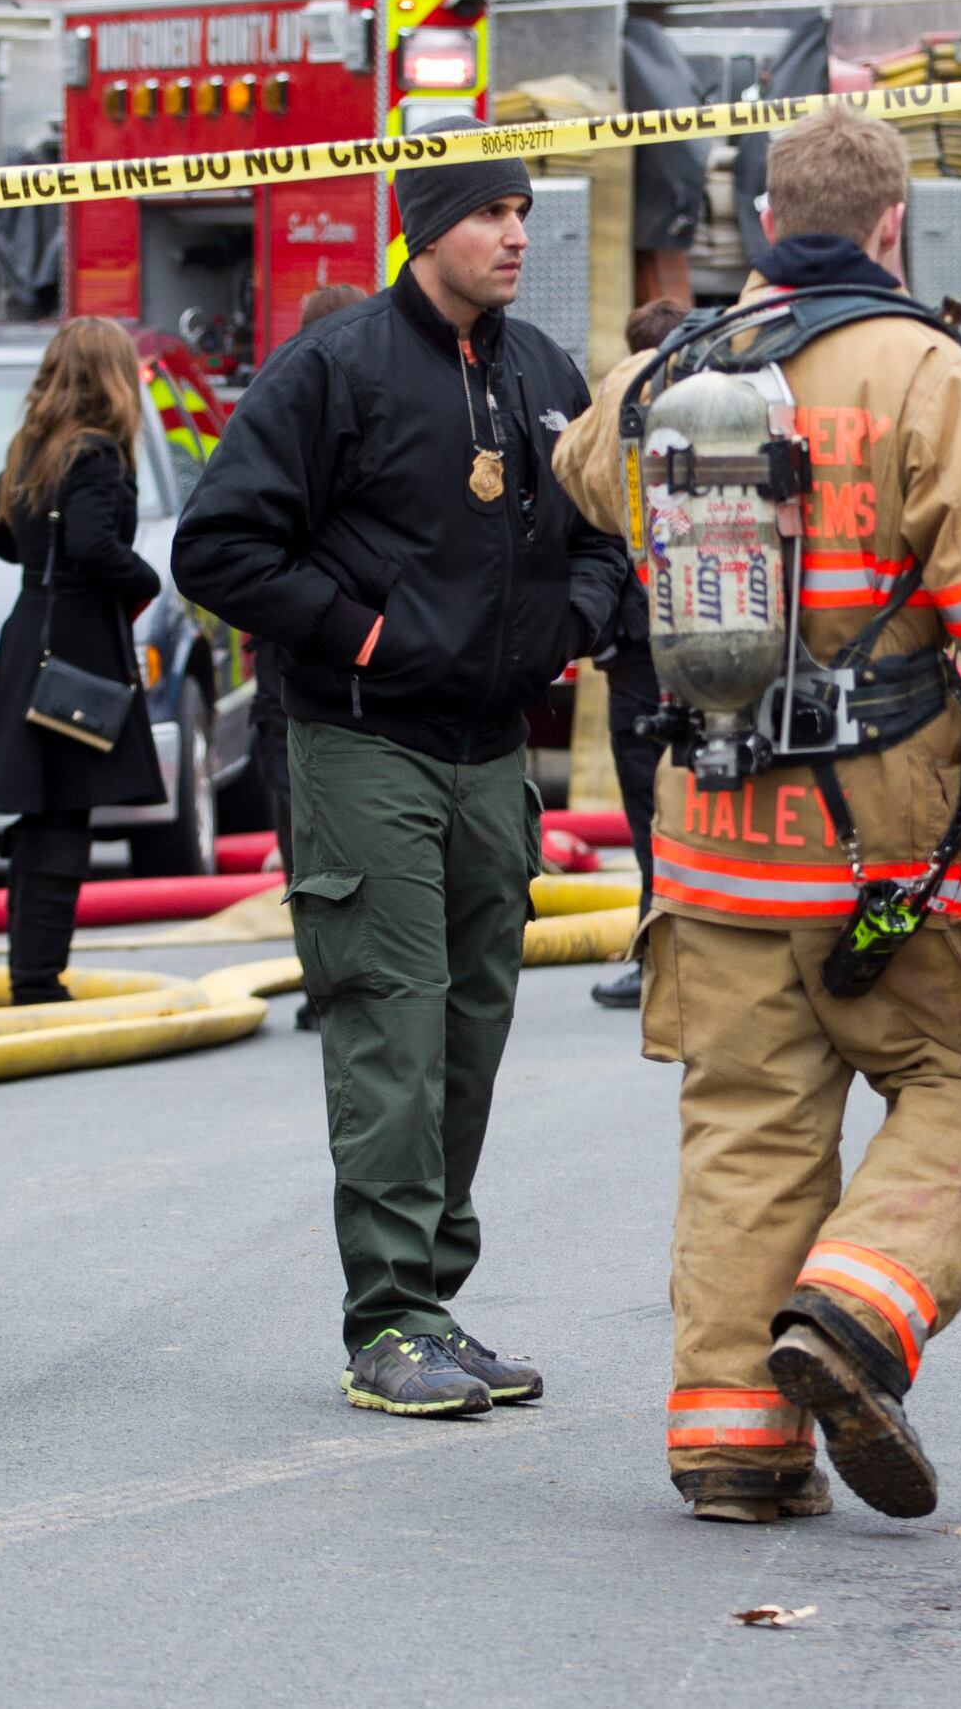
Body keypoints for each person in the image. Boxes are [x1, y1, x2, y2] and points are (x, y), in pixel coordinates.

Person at [557, 108, 961, 1526]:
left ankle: (737, 1444)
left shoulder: (681, 366)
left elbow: (584, 472)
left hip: (709, 832)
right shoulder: (923, 370)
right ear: (893, 225)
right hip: (882, 829)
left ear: (765, 217)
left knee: (749, 1127)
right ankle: (852, 1314)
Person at [173, 153, 630, 1422]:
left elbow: (603, 535)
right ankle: (386, 1319)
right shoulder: (336, 371)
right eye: (490, 212)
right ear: (427, 227)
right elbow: (217, 544)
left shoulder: (542, 373)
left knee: (472, 1031)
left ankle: (434, 1298)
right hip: (366, 745)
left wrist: (575, 622)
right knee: (393, 1028)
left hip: (494, 755)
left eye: (524, 212)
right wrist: (364, 635)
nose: (514, 233)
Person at [0, 317, 165, 1007]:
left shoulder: (35, 447)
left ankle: (32, 972)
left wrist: (40, 572)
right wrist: (146, 580)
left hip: (29, 637)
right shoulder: (97, 455)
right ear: (114, 377)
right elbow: (94, 546)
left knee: (42, 817)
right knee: (65, 818)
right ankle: (39, 979)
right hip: (76, 647)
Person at [255, 281, 372, 1035]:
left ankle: (323, 977)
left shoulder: (273, 406)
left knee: (302, 823)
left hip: (291, 654)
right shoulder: (388, 397)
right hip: (370, 643)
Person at [588, 296, 697, 1012]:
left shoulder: (616, 421)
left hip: (638, 650)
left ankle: (663, 956)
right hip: (715, 645)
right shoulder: (728, 415)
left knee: (648, 808)